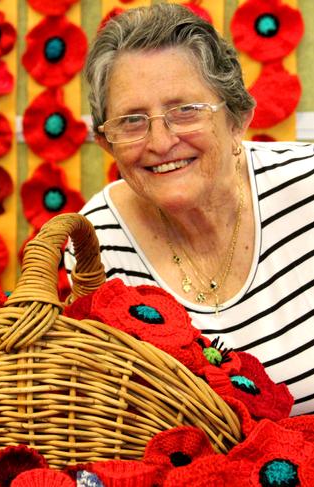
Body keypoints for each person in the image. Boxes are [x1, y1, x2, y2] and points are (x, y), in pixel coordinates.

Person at [65, 4, 314, 416]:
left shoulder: (306, 188)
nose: (161, 142)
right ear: (106, 142)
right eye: (132, 120)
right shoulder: (95, 244)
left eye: (185, 111)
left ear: (238, 119)